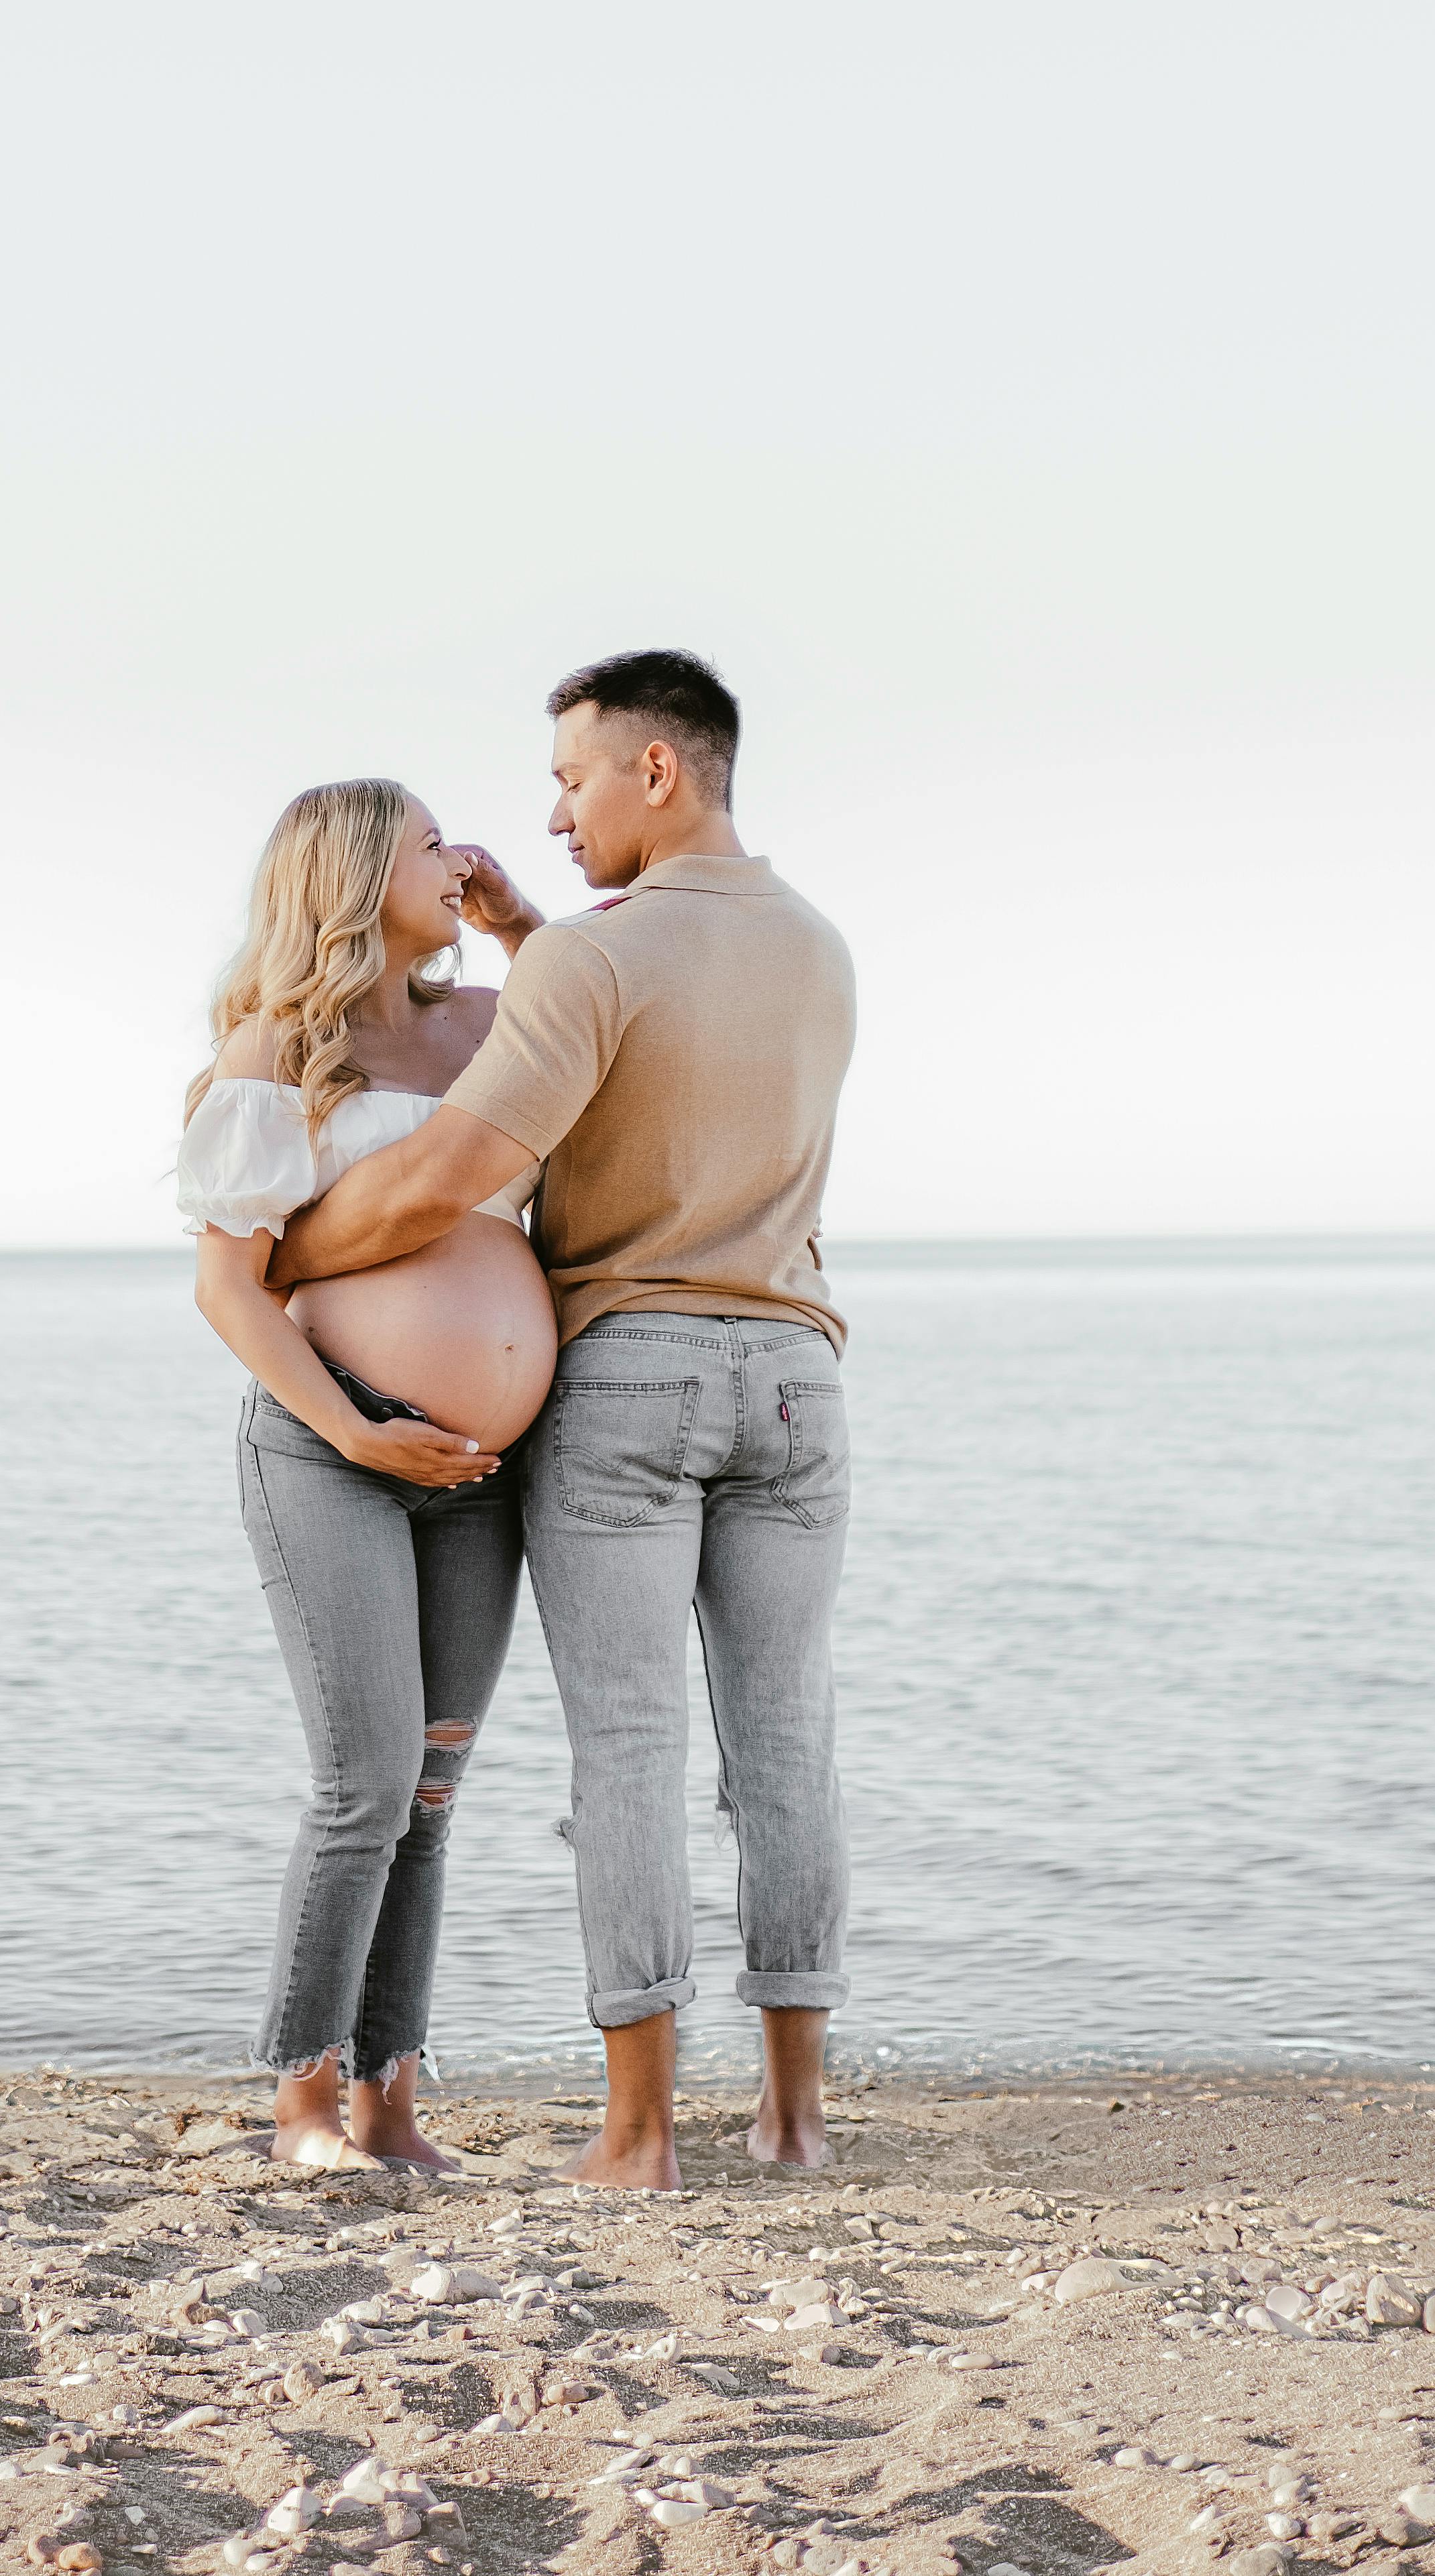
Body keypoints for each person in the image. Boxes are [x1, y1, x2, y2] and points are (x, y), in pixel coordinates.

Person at [270, 651, 858, 2190]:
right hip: (798, 1375)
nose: (550, 815)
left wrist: (291, 1257)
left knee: (629, 1752)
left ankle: (638, 2137)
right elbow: (671, 1056)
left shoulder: (597, 963)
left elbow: (447, 1172)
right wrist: (532, 943)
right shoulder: (815, 948)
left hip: (636, 1377)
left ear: (652, 772)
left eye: (571, 780)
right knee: (784, 1743)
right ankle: (794, 2122)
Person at [178, 777, 559, 2170]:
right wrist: (352, 1430)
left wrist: (519, 924)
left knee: (433, 1793)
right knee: (363, 1781)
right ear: (350, 874)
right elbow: (230, 1288)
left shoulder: (483, 1025)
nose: (455, 857)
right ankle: (300, 2100)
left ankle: (394, 2101)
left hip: (477, 1471)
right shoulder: (280, 1047)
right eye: (425, 844)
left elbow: (600, 1016)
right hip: (328, 1454)